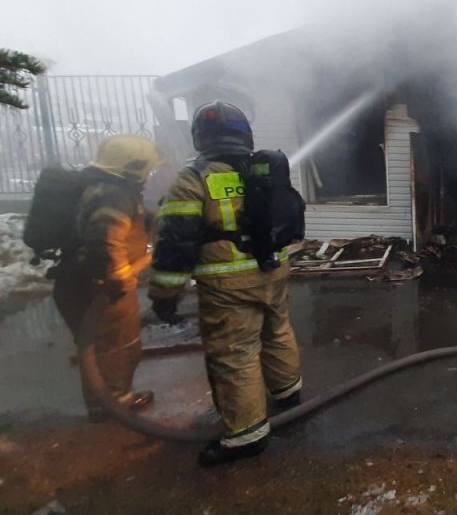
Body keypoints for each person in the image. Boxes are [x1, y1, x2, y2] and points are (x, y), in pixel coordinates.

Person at [149, 101, 302, 466]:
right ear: (244, 134)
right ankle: (287, 392)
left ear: (200, 137)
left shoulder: (193, 178)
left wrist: (165, 294)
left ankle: (246, 436)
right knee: (277, 330)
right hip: (274, 269)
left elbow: (175, 242)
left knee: (235, 354)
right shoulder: (263, 167)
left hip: (228, 281)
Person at [52, 135, 161, 420]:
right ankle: (112, 407)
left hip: (85, 283)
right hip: (102, 288)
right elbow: (106, 240)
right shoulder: (112, 194)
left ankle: (108, 401)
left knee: (105, 346)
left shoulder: (103, 188)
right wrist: (120, 277)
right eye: (146, 169)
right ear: (131, 168)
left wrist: (149, 218)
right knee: (115, 346)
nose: (148, 176)